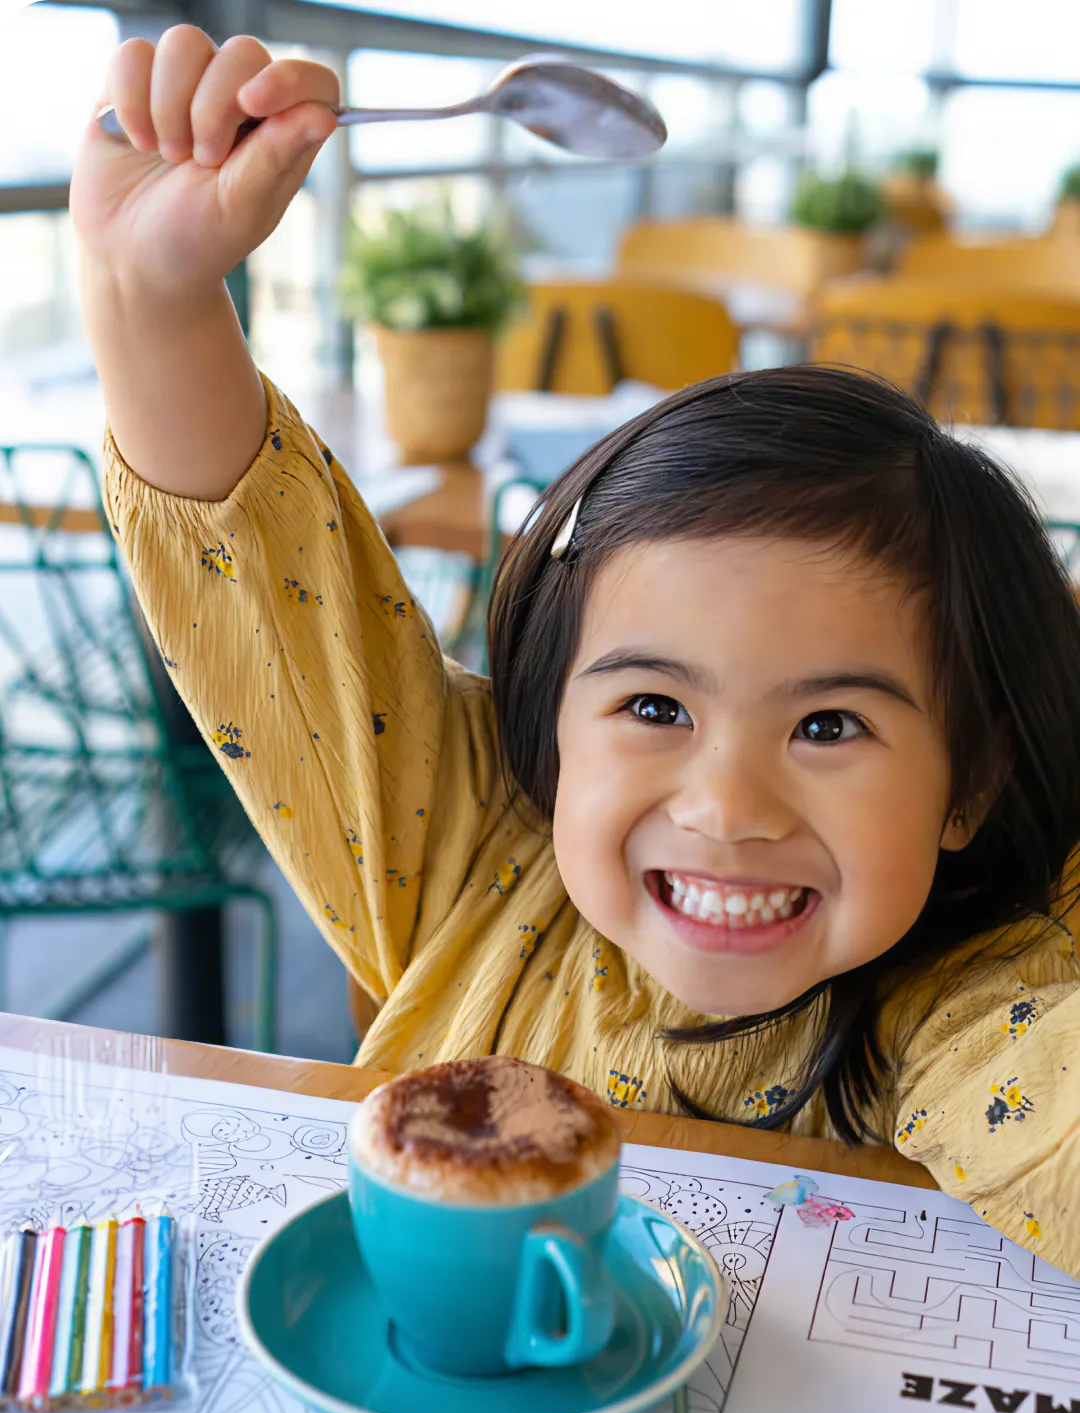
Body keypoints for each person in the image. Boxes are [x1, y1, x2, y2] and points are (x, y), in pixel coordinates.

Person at [72, 30, 1080, 1280]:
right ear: (550, 719)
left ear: (971, 780)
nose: (726, 808)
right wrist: (150, 293)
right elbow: (272, 582)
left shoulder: (972, 1010)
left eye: (829, 726)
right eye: (654, 706)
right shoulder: (465, 847)